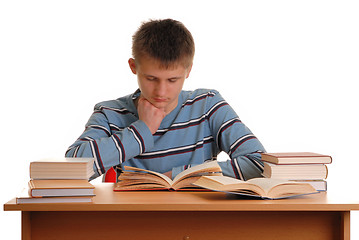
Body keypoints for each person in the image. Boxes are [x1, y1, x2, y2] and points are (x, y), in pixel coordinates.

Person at [65, 18, 266, 181]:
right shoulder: (110, 114)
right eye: (151, 78)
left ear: (188, 71)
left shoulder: (208, 105)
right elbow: (71, 169)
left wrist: (184, 175)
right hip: (129, 224)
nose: (161, 91)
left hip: (197, 224)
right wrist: (142, 130)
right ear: (133, 67)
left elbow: (259, 163)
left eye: (172, 80)